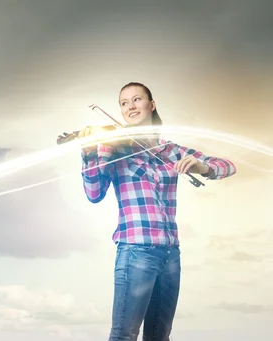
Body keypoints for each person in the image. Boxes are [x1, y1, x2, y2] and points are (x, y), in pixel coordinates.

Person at [77, 82, 236, 341]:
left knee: (159, 336)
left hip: (171, 253)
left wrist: (201, 167)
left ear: (151, 105)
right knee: (124, 334)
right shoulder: (112, 148)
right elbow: (94, 194)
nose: (131, 106)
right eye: (124, 103)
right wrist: (88, 154)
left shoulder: (170, 150)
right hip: (136, 250)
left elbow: (228, 166)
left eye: (137, 99)